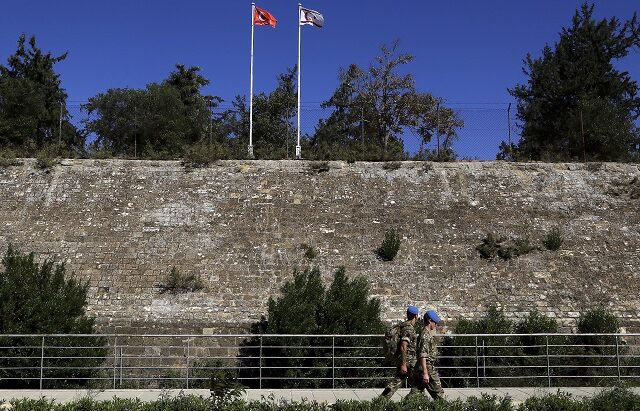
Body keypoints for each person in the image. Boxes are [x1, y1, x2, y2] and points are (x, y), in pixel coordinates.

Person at [380, 305, 419, 400]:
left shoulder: (403, 325)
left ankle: (380, 401)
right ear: (416, 316)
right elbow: (403, 345)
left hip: (404, 360)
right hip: (409, 361)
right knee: (418, 384)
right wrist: (404, 364)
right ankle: (408, 403)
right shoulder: (409, 328)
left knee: (396, 382)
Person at [408, 309, 445, 400]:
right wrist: (425, 373)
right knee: (438, 393)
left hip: (420, 368)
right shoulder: (425, 335)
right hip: (426, 368)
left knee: (415, 394)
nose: (436, 325)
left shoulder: (425, 333)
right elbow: (423, 354)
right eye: (435, 322)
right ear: (429, 321)